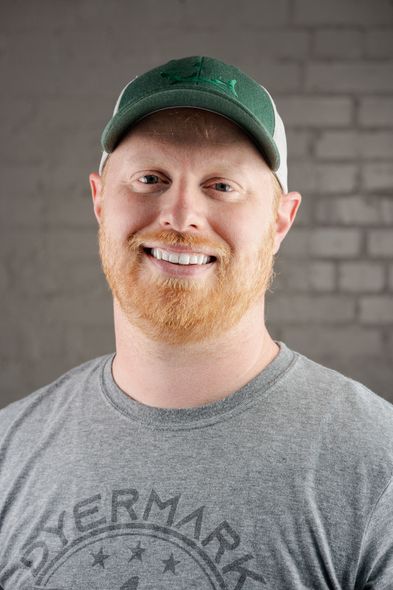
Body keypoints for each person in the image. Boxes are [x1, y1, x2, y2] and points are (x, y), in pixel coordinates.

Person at [0, 56, 392, 590]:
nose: (180, 214)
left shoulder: (378, 467)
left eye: (222, 186)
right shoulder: (9, 451)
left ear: (282, 219)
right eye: (150, 178)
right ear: (99, 199)